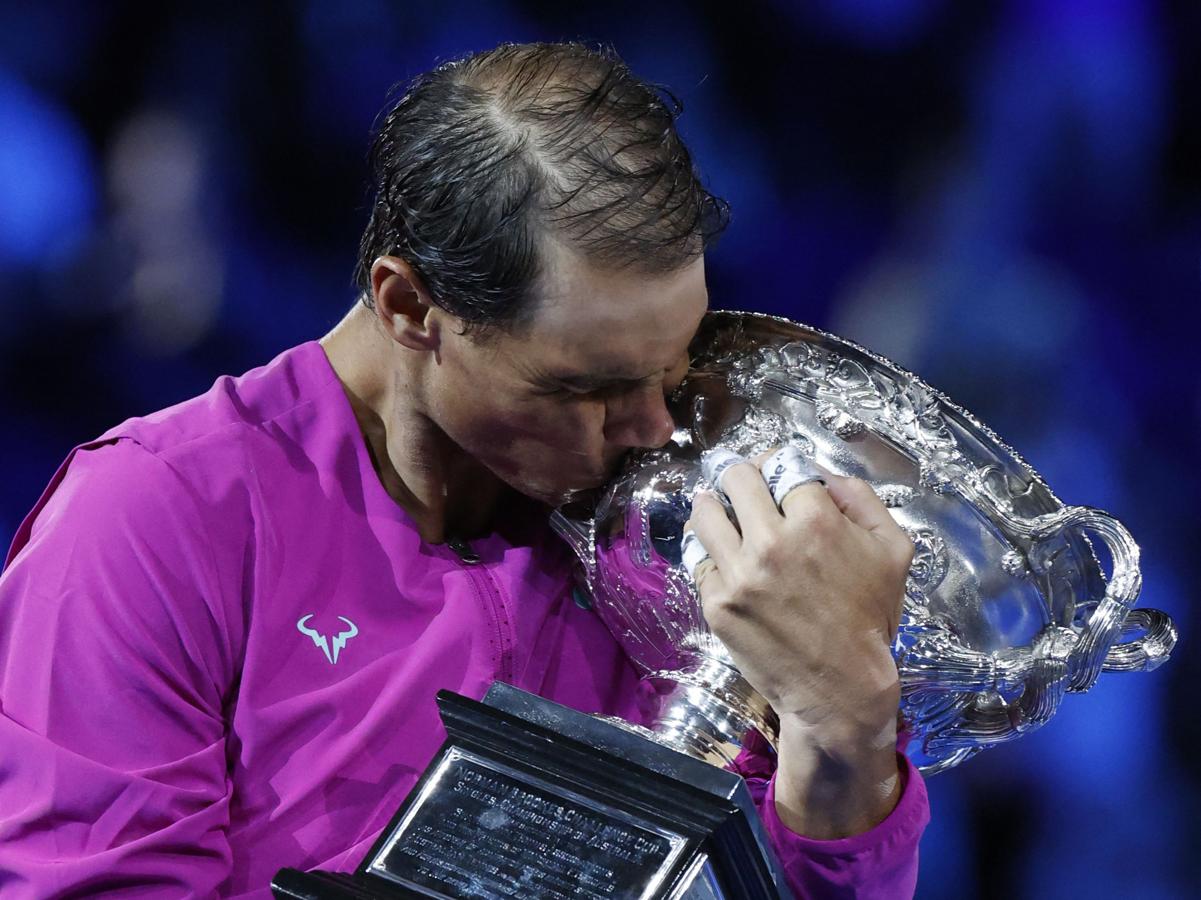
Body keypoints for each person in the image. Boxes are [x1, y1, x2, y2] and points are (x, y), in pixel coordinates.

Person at [0, 42, 928, 898]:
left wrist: (844, 736)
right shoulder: (153, 519)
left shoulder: (684, 535)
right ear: (408, 307)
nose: (653, 429)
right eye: (589, 387)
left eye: (674, 370)